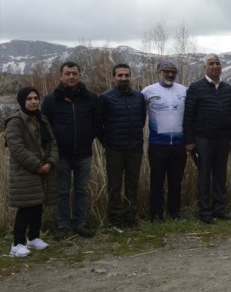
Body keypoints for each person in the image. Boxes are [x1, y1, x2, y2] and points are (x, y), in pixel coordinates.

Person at [42, 61, 98, 239]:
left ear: (80, 75)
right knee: (63, 191)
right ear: (61, 76)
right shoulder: (51, 100)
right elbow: (46, 127)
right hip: (61, 154)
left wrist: (88, 138)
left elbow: (96, 124)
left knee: (81, 190)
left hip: (84, 153)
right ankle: (63, 225)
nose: (71, 76)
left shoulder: (90, 98)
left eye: (74, 73)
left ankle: (80, 224)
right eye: (67, 73)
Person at [5, 87, 58, 257]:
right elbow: (17, 148)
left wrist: (50, 162)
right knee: (25, 207)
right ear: (22, 101)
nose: (34, 101)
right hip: (25, 171)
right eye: (29, 99)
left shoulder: (42, 119)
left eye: (36, 98)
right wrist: (37, 165)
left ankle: (33, 237)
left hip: (44, 169)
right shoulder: (15, 121)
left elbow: (53, 143)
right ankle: (17, 243)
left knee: (38, 204)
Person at [184, 54, 231, 224]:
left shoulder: (227, 88)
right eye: (211, 64)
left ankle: (219, 209)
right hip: (203, 139)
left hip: (223, 139)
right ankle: (205, 211)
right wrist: (190, 141)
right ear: (205, 67)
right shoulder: (196, 87)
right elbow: (188, 116)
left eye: (218, 64)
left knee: (221, 175)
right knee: (204, 176)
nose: (215, 66)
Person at [98, 64, 146, 228]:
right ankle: (116, 220)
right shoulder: (105, 98)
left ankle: (131, 217)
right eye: (120, 75)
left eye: (126, 75)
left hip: (135, 148)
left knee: (132, 184)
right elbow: (99, 124)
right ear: (114, 78)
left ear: (130, 77)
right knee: (115, 185)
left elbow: (142, 120)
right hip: (114, 149)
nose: (124, 78)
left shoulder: (139, 97)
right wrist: (107, 142)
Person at [142, 61, 188, 221]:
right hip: (157, 144)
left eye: (173, 72)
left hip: (179, 145)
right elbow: (139, 115)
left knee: (176, 181)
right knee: (157, 181)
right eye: (166, 71)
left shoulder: (184, 90)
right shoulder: (147, 91)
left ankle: (174, 212)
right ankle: (156, 213)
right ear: (158, 72)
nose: (170, 75)